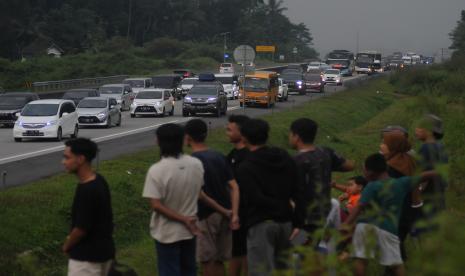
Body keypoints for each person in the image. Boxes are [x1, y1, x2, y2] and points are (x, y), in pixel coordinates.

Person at [142, 123, 231, 276]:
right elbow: (201, 195)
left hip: (167, 233)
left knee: (169, 270)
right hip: (191, 230)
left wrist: (183, 219)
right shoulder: (195, 164)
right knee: (189, 270)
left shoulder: (157, 170)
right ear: (183, 140)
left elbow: (156, 205)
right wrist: (224, 211)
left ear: (158, 141)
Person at [343, 153, 437, 276]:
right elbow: (423, 176)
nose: (364, 173)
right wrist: (437, 172)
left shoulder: (371, 186)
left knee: (361, 260)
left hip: (365, 225)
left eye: (364, 170)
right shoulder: (402, 183)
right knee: (397, 265)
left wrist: (346, 224)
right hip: (388, 228)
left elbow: (359, 207)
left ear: (370, 172)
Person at [236, 118, 306, 276]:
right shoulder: (284, 157)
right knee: (284, 269)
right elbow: (298, 190)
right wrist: (297, 220)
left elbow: (254, 197)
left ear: (244, 137)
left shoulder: (246, 167)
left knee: (261, 270)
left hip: (261, 223)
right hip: (287, 222)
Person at [184, 119, 240, 276]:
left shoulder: (193, 162)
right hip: (227, 214)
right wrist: (233, 213)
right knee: (219, 260)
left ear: (187, 137)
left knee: (206, 261)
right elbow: (234, 186)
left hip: (206, 215)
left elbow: (200, 194)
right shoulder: (219, 156)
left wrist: (222, 210)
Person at [289, 118, 354, 240]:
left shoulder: (294, 162)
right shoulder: (326, 153)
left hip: (304, 219)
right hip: (323, 213)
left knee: (297, 252)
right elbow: (349, 166)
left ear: (296, 136)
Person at [61, 138, 115, 276]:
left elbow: (81, 229)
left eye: (67, 157)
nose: (63, 162)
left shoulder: (87, 190)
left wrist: (67, 245)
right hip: (105, 252)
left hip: (86, 260)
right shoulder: (99, 180)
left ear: (80, 159)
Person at [380, 131, 417, 260]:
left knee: (392, 243)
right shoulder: (407, 160)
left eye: (385, 143)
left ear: (394, 146)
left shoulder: (393, 167)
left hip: (398, 212)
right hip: (409, 208)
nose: (381, 145)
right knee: (397, 241)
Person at [225, 115, 250, 276]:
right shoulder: (232, 155)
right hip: (236, 211)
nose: (226, 133)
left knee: (247, 251)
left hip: (248, 212)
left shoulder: (249, 156)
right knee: (237, 250)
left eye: (230, 130)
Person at [414, 114, 448, 229]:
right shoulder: (440, 146)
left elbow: (423, 176)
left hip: (427, 196)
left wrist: (417, 195)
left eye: (420, 127)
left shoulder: (426, 148)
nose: (416, 130)